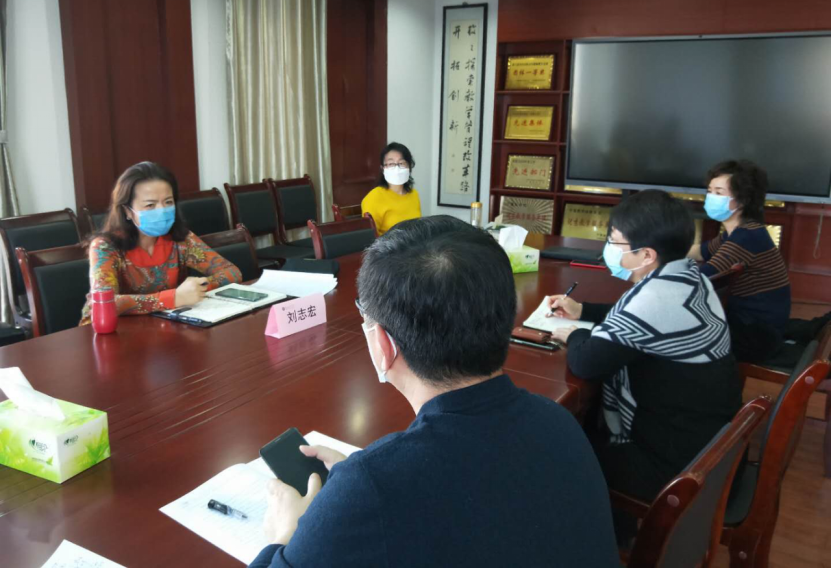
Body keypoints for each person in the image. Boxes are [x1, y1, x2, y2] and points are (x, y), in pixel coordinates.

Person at [250, 216, 618, 568]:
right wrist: (367, 478)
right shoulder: (559, 421)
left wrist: (284, 535)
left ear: (382, 343)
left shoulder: (373, 488)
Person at [547, 190, 741, 539]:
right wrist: (584, 311)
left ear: (647, 255)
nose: (608, 247)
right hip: (706, 439)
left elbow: (586, 361)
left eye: (615, 241)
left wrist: (574, 334)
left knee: (557, 448)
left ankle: (596, 539)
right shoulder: (688, 276)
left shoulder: (655, 298)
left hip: (672, 463)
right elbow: (638, 319)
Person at [80, 162, 242, 324]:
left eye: (168, 202)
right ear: (127, 211)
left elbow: (232, 272)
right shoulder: (105, 247)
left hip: (162, 327)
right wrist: (173, 298)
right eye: (150, 205)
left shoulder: (181, 239)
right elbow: (103, 303)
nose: (161, 210)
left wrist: (197, 289)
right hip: (110, 330)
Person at [688, 160, 791, 364]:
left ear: (741, 201)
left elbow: (701, 278)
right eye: (709, 191)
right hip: (752, 326)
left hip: (756, 337)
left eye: (719, 193)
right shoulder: (740, 231)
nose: (710, 197)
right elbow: (699, 252)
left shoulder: (746, 237)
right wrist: (659, 248)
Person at [360, 142, 421, 234]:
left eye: (401, 163)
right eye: (391, 164)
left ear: (409, 167)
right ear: (382, 168)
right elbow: (370, 237)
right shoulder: (374, 197)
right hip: (388, 243)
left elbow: (418, 228)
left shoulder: (414, 194)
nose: (397, 168)